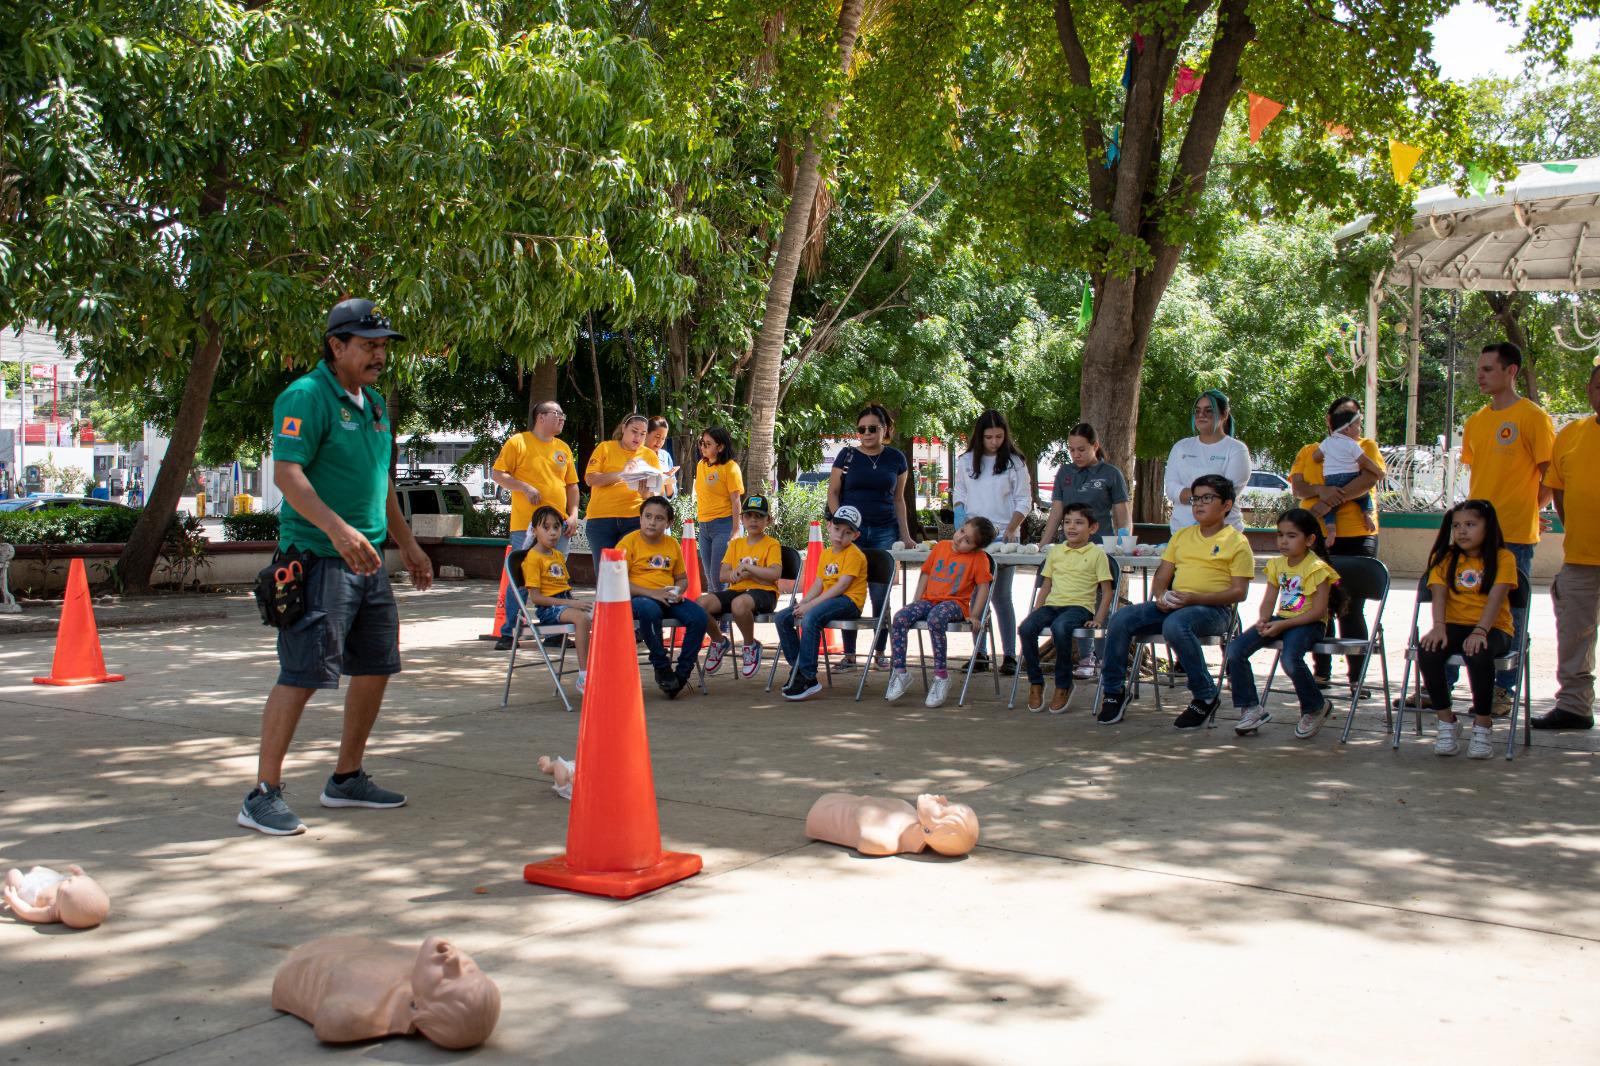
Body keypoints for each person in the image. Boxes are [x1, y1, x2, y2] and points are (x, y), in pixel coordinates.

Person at [238, 298, 434, 837]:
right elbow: (289, 476)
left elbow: (379, 484)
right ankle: (262, 793)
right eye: (368, 346)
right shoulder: (305, 395)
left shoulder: (372, 404)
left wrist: (408, 544)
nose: (379, 355)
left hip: (368, 561)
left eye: (383, 346)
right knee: (302, 673)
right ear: (336, 346)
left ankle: (346, 779)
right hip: (320, 559)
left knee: (375, 667)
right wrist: (336, 529)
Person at [1097, 474, 1253, 728]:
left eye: (1207, 498)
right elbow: (1162, 577)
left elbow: (1239, 593)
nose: (1199, 504)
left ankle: (1205, 695)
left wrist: (1195, 598)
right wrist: (1161, 596)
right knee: (1120, 618)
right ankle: (1114, 692)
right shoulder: (1182, 536)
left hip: (1214, 610)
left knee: (1176, 625)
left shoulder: (1237, 542)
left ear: (1226, 505)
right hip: (1176, 605)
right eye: (1195, 499)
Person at [1459, 341, 1553, 714]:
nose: (1479, 375)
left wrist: (1530, 509)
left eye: (1488, 369)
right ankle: (1445, 685)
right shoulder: (1476, 422)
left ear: (1510, 371)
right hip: (1473, 538)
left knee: (1510, 616)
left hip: (1514, 537)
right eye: (1479, 369)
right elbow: (1478, 476)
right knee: (1463, 608)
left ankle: (1503, 691)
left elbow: (1550, 477)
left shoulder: (1532, 417)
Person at [1289, 396, 1386, 692]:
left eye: (1356, 417)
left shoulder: (1365, 446)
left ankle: (1356, 677)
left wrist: (1333, 498)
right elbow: (1299, 485)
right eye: (1344, 418)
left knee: (1351, 606)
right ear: (1330, 421)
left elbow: (1370, 478)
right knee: (1321, 604)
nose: (1351, 424)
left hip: (1357, 535)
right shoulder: (1311, 451)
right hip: (1317, 537)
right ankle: (1322, 672)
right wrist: (1322, 490)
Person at [1226, 509, 1343, 739]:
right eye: (1280, 535)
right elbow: (1269, 600)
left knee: (1290, 660)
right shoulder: (1277, 565)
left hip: (1309, 623)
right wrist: (1263, 619)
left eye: (1291, 536)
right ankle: (1251, 708)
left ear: (1309, 540)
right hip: (1282, 620)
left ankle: (1315, 707)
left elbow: (1318, 611)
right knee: (1235, 650)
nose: (1283, 541)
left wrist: (1282, 626)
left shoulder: (1317, 569)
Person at [1416, 500, 1517, 759]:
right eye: (1457, 526)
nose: (1462, 531)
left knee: (1478, 652)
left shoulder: (1503, 558)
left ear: (1488, 526)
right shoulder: (1445, 557)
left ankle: (1483, 726)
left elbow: (1496, 598)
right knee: (1428, 650)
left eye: (1470, 525)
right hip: (1453, 625)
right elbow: (1438, 594)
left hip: (1494, 628)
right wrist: (1438, 627)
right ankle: (1447, 722)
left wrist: (1481, 631)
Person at [1038, 422, 1131, 678]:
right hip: (1069, 548)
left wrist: (1124, 541)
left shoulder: (1110, 473)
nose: (1076, 454)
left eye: (1081, 449)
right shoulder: (1065, 473)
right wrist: (1045, 542)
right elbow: (1057, 509)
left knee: (1102, 599)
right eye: (1071, 449)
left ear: (1095, 446)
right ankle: (1086, 656)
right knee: (1072, 599)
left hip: (1101, 547)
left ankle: (1105, 657)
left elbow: (1122, 511)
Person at [1535, 364, 1600, 729]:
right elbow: (1558, 490)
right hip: (1580, 558)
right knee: (1575, 636)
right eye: (1599, 386)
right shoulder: (1571, 434)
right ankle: (1575, 706)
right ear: (1589, 390)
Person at [828, 404, 913, 670]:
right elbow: (833, 492)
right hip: (852, 533)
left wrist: (906, 535)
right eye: (861, 429)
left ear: (884, 429)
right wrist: (840, 525)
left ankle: (880, 651)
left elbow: (899, 499)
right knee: (848, 592)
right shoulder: (847, 455)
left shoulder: (896, 458)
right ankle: (850, 654)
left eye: (872, 428)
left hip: (885, 530)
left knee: (880, 595)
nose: (866, 433)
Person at [489, 401, 580, 649]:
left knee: (556, 577)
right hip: (527, 526)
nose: (562, 418)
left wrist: (572, 515)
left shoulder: (563, 448)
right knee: (520, 578)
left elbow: (572, 486)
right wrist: (525, 487)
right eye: (557, 414)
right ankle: (509, 632)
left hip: (559, 525)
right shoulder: (518, 442)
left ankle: (555, 632)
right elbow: (498, 474)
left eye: (563, 414)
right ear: (540, 417)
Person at [884, 516, 997, 708]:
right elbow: (926, 574)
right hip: (929, 600)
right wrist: (916, 601)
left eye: (967, 541)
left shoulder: (979, 559)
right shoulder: (941, 547)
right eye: (962, 532)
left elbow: (983, 587)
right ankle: (901, 671)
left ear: (976, 548)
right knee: (901, 617)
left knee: (936, 619)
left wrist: (975, 614)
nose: (960, 539)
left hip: (955, 604)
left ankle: (941, 676)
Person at [952, 410, 1033, 676]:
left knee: (1001, 596)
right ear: (980, 436)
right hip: (974, 537)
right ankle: (980, 652)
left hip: (1004, 536)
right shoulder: (965, 461)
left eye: (999, 436)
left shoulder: (1014, 462)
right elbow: (960, 493)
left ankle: (1009, 654)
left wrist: (1012, 527)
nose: (994, 441)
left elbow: (1024, 500)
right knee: (976, 594)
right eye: (989, 436)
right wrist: (961, 522)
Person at [1018, 502, 1113, 713]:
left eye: (1079, 523)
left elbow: (1107, 591)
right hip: (1052, 605)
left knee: (1061, 628)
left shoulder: (1098, 554)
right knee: (1026, 628)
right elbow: (1046, 584)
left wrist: (1099, 619)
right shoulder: (1056, 552)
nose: (1072, 527)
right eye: (1067, 522)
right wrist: (1037, 608)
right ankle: (1036, 682)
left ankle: (1063, 684)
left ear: (1093, 528)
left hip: (1079, 607)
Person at [619, 495, 708, 698]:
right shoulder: (628, 543)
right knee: (649, 610)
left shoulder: (672, 544)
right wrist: (652, 593)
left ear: (668, 523)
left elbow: (682, 579)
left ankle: (681, 675)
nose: (652, 522)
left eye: (659, 518)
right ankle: (662, 666)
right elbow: (617, 583)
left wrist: (677, 591)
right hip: (639, 598)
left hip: (668, 597)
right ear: (640, 519)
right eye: (647, 516)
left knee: (699, 617)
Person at [777, 506, 868, 701]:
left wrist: (811, 606)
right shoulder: (826, 554)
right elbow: (819, 583)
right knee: (783, 617)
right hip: (830, 600)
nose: (840, 536)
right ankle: (798, 668)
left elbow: (841, 587)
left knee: (811, 617)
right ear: (828, 526)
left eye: (847, 532)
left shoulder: (854, 555)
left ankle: (809, 677)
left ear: (856, 535)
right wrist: (804, 601)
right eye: (837, 529)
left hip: (849, 601)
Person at [700, 493, 781, 679]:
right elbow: (722, 575)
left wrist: (749, 569)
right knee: (699, 605)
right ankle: (719, 641)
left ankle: (750, 645)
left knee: (739, 605)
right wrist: (734, 574)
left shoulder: (772, 544)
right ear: (742, 519)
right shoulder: (735, 544)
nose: (754, 520)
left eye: (759, 516)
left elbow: (775, 574)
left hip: (765, 593)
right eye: (749, 516)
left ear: (768, 520)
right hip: (737, 590)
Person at [517, 505, 592, 693]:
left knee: (604, 614)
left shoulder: (557, 555)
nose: (552, 533)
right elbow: (536, 598)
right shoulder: (533, 558)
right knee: (582, 619)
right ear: (534, 531)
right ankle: (585, 675)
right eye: (546, 527)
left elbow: (565, 588)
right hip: (549, 608)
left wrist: (577, 603)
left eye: (556, 527)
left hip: (565, 602)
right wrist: (572, 604)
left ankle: (599, 668)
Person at [1165, 389, 1251, 533]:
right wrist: (1206, 496)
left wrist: (1189, 495)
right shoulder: (1181, 447)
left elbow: (1226, 493)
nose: (1201, 415)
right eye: (1197, 411)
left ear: (1224, 414)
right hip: (1182, 533)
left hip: (1223, 534)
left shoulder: (1236, 449)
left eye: (1209, 410)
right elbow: (1171, 489)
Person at [584, 413, 661, 559]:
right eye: (634, 431)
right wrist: (622, 474)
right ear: (624, 428)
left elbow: (656, 494)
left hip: (635, 519)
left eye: (643, 434)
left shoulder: (650, 455)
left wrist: (645, 495)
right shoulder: (605, 448)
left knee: (630, 572)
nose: (637, 437)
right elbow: (590, 478)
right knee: (605, 573)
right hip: (601, 519)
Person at [1310, 407, 1383, 543]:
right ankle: (1367, 515)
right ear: (1348, 429)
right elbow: (1365, 461)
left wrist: (1323, 457)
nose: (1360, 430)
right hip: (1350, 479)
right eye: (1358, 426)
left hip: (1331, 481)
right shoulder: (1351, 444)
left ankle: (1331, 530)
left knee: (1330, 508)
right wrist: (1378, 472)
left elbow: (1316, 457)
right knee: (1364, 496)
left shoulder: (1327, 442)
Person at [694, 426, 744, 592]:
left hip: (724, 526)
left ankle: (724, 619)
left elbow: (736, 500)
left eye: (708, 444)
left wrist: (736, 530)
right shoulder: (701, 464)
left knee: (718, 578)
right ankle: (715, 618)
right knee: (710, 579)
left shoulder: (730, 468)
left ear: (720, 447)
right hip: (703, 526)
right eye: (702, 443)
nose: (703, 447)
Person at [645, 416, 677, 497]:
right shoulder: (636, 454)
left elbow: (671, 495)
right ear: (646, 433)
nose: (659, 442)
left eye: (663, 438)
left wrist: (667, 478)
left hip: (661, 506)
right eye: (657, 436)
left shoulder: (665, 456)